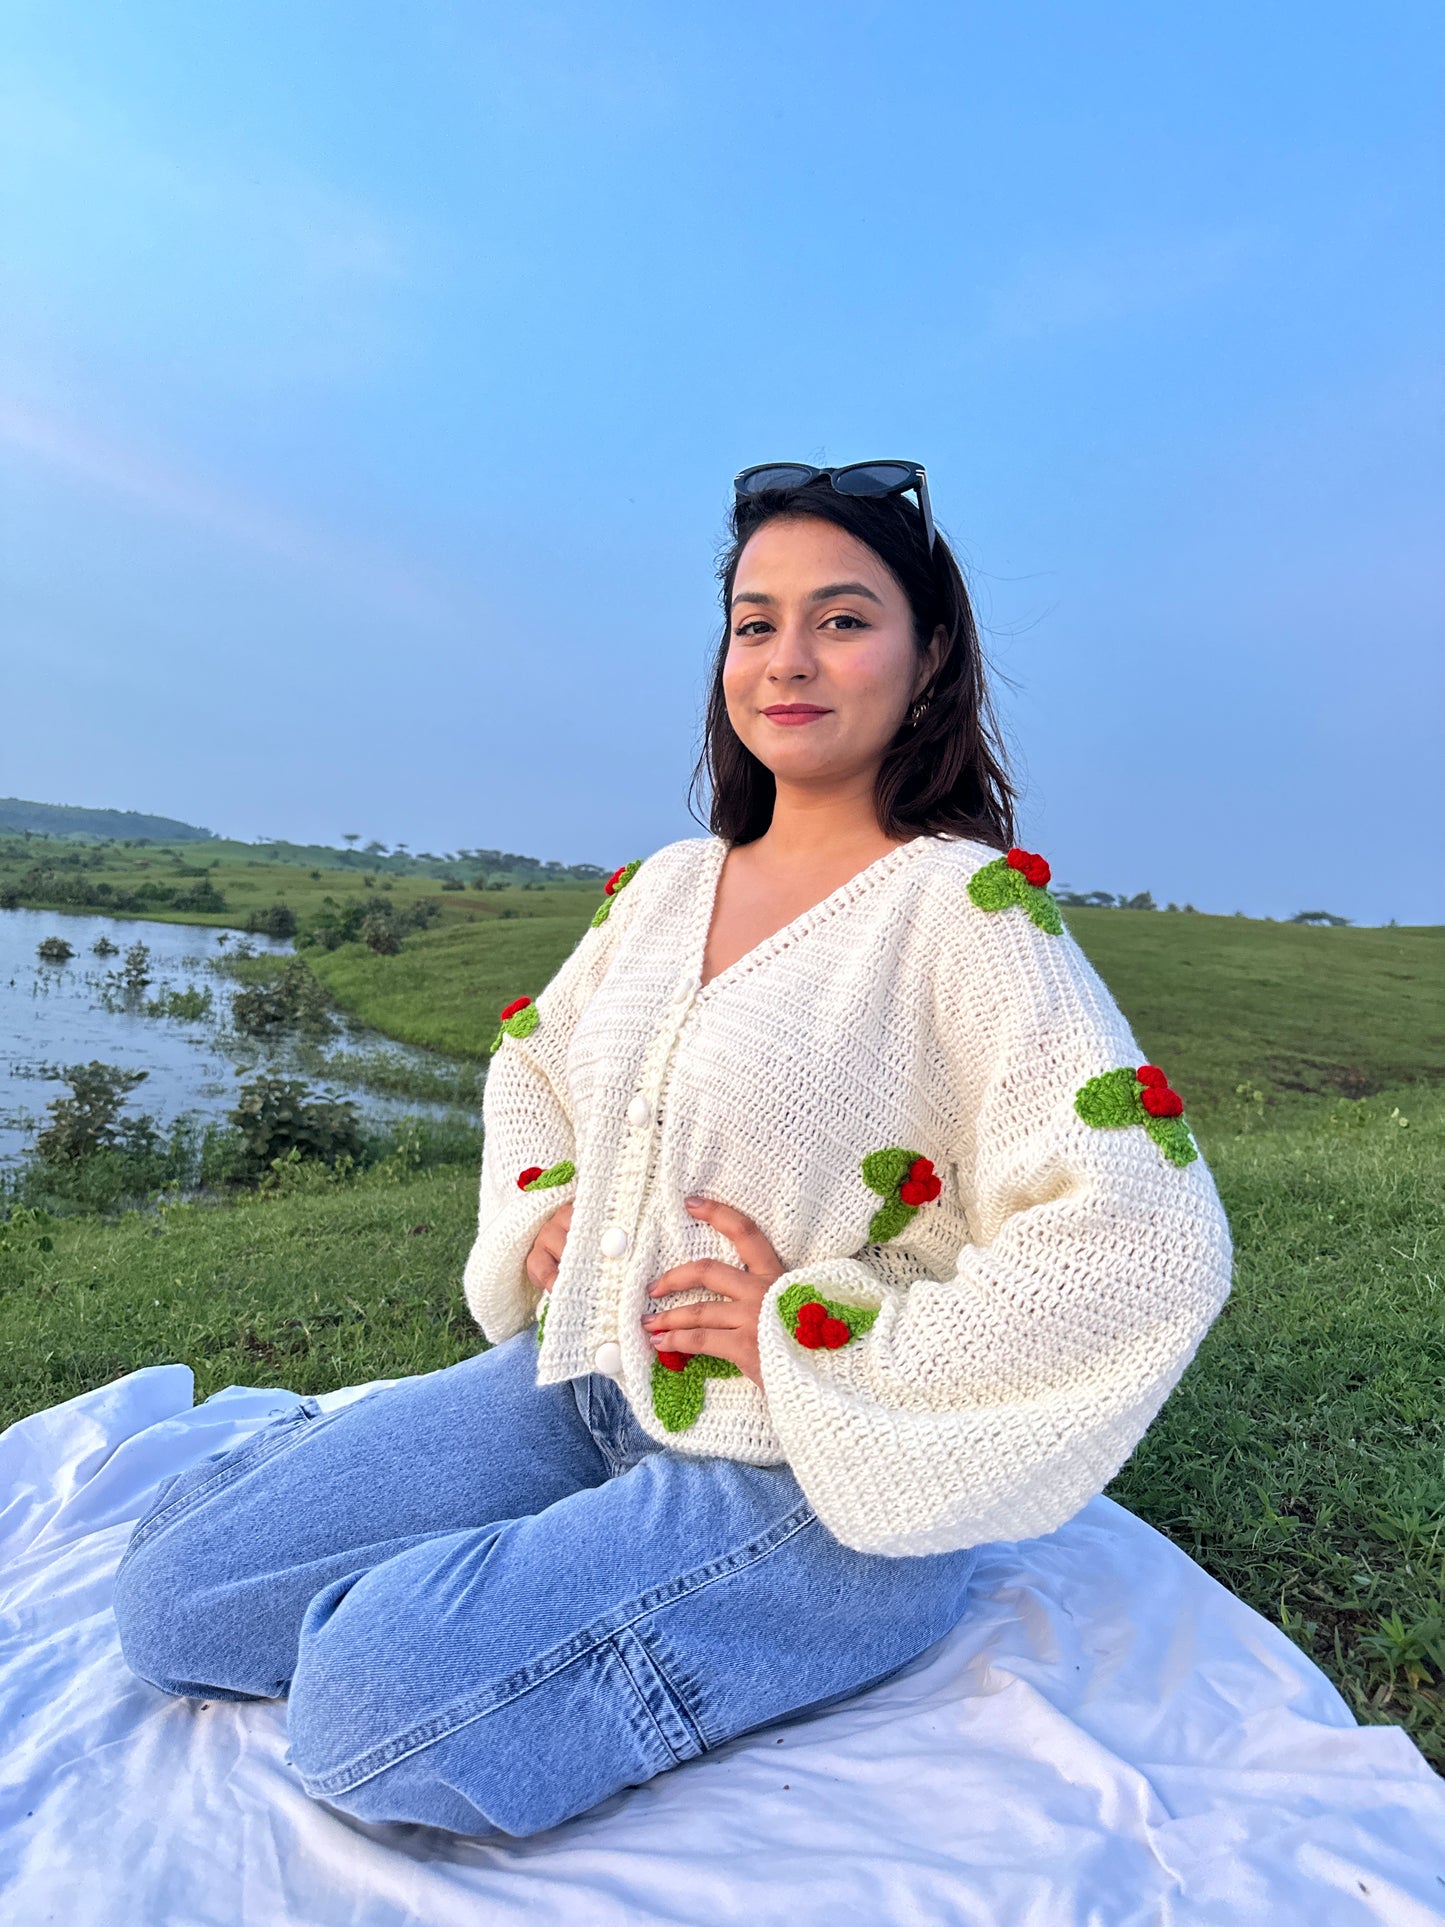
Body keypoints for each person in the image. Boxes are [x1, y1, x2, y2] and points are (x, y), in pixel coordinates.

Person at [113, 461, 1233, 1838]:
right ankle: (528, 1560)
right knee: (179, 1603)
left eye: (841, 619)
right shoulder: (662, 888)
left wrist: (819, 1332)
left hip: (815, 1471)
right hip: (594, 1380)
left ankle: (701, 1608)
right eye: (756, 624)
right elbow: (535, 1061)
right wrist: (547, 1215)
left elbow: (1147, 1237)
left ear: (930, 654)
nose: (787, 659)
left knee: (368, 1706)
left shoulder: (966, 913)